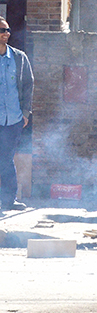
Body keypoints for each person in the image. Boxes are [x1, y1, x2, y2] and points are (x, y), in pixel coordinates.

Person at [0, 17, 33, 211]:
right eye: (2, 30)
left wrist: (26, 113)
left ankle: (8, 200)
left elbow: (28, 85)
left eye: (8, 30)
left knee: (6, 158)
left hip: (12, 119)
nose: (7, 33)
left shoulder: (19, 58)